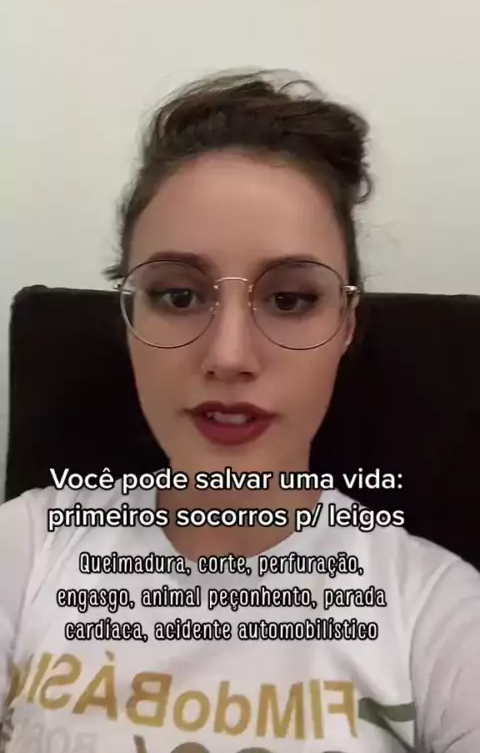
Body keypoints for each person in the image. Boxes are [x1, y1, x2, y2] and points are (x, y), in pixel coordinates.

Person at [0, 71, 479, 753]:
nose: (228, 356)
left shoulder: (437, 613)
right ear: (129, 320)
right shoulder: (28, 550)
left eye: (289, 300)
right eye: (178, 296)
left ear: (346, 325)